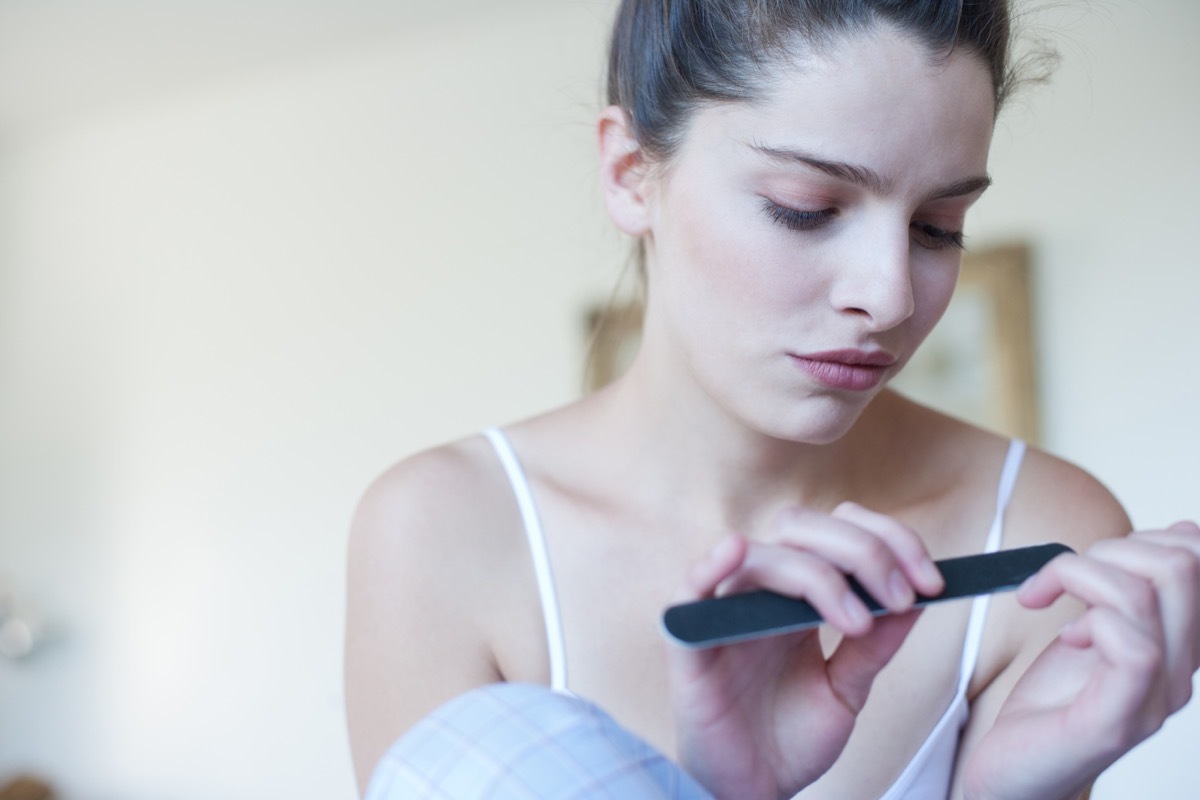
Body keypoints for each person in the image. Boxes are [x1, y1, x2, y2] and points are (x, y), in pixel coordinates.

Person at [344, 1, 1200, 798]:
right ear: (630, 172)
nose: (891, 295)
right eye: (806, 208)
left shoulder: (1045, 544)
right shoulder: (442, 535)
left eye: (939, 225)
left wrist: (1009, 791)